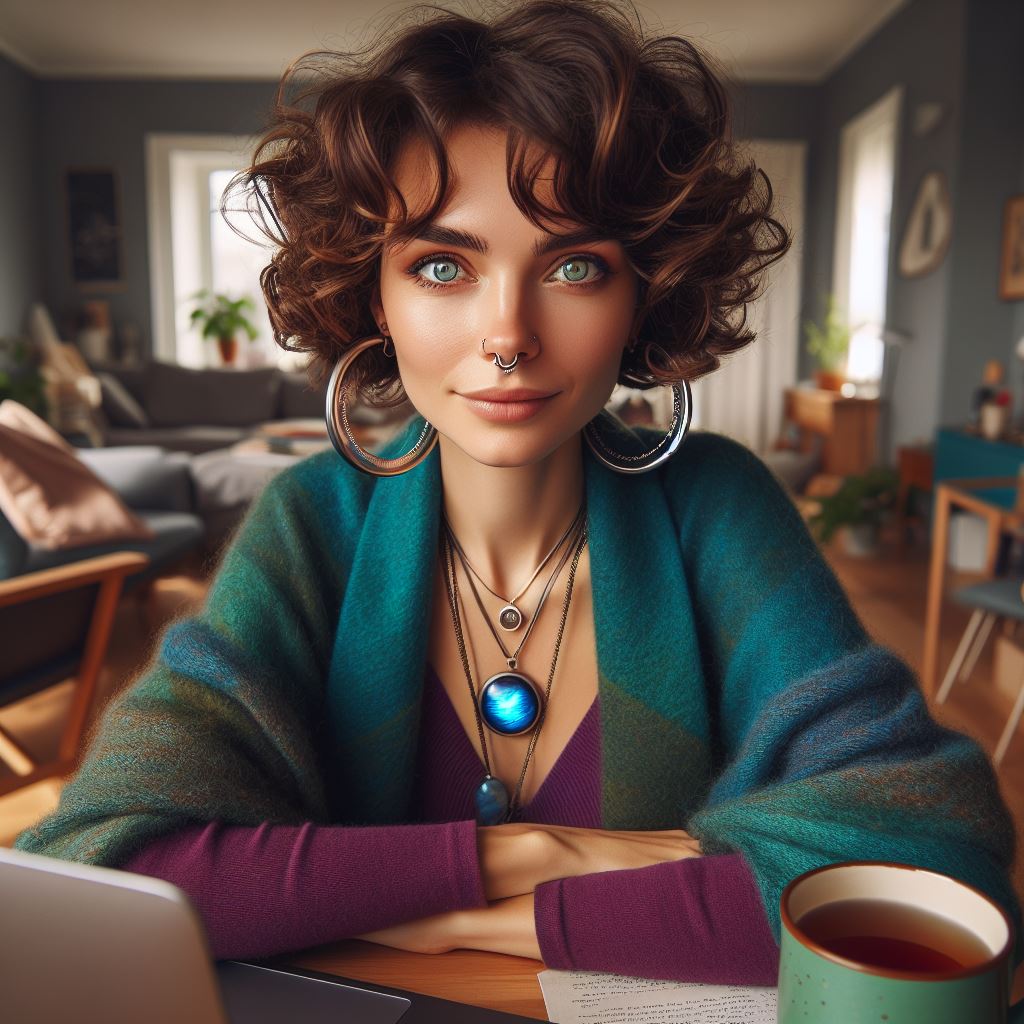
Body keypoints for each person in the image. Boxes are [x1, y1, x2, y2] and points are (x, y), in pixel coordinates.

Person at [17, 0, 1020, 985]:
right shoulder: (312, 522)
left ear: (642, 295)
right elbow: (103, 861)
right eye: (443, 264)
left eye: (575, 264)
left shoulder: (716, 507)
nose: (508, 333)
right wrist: (520, 856)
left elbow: (934, 865)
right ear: (378, 295)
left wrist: (491, 904)